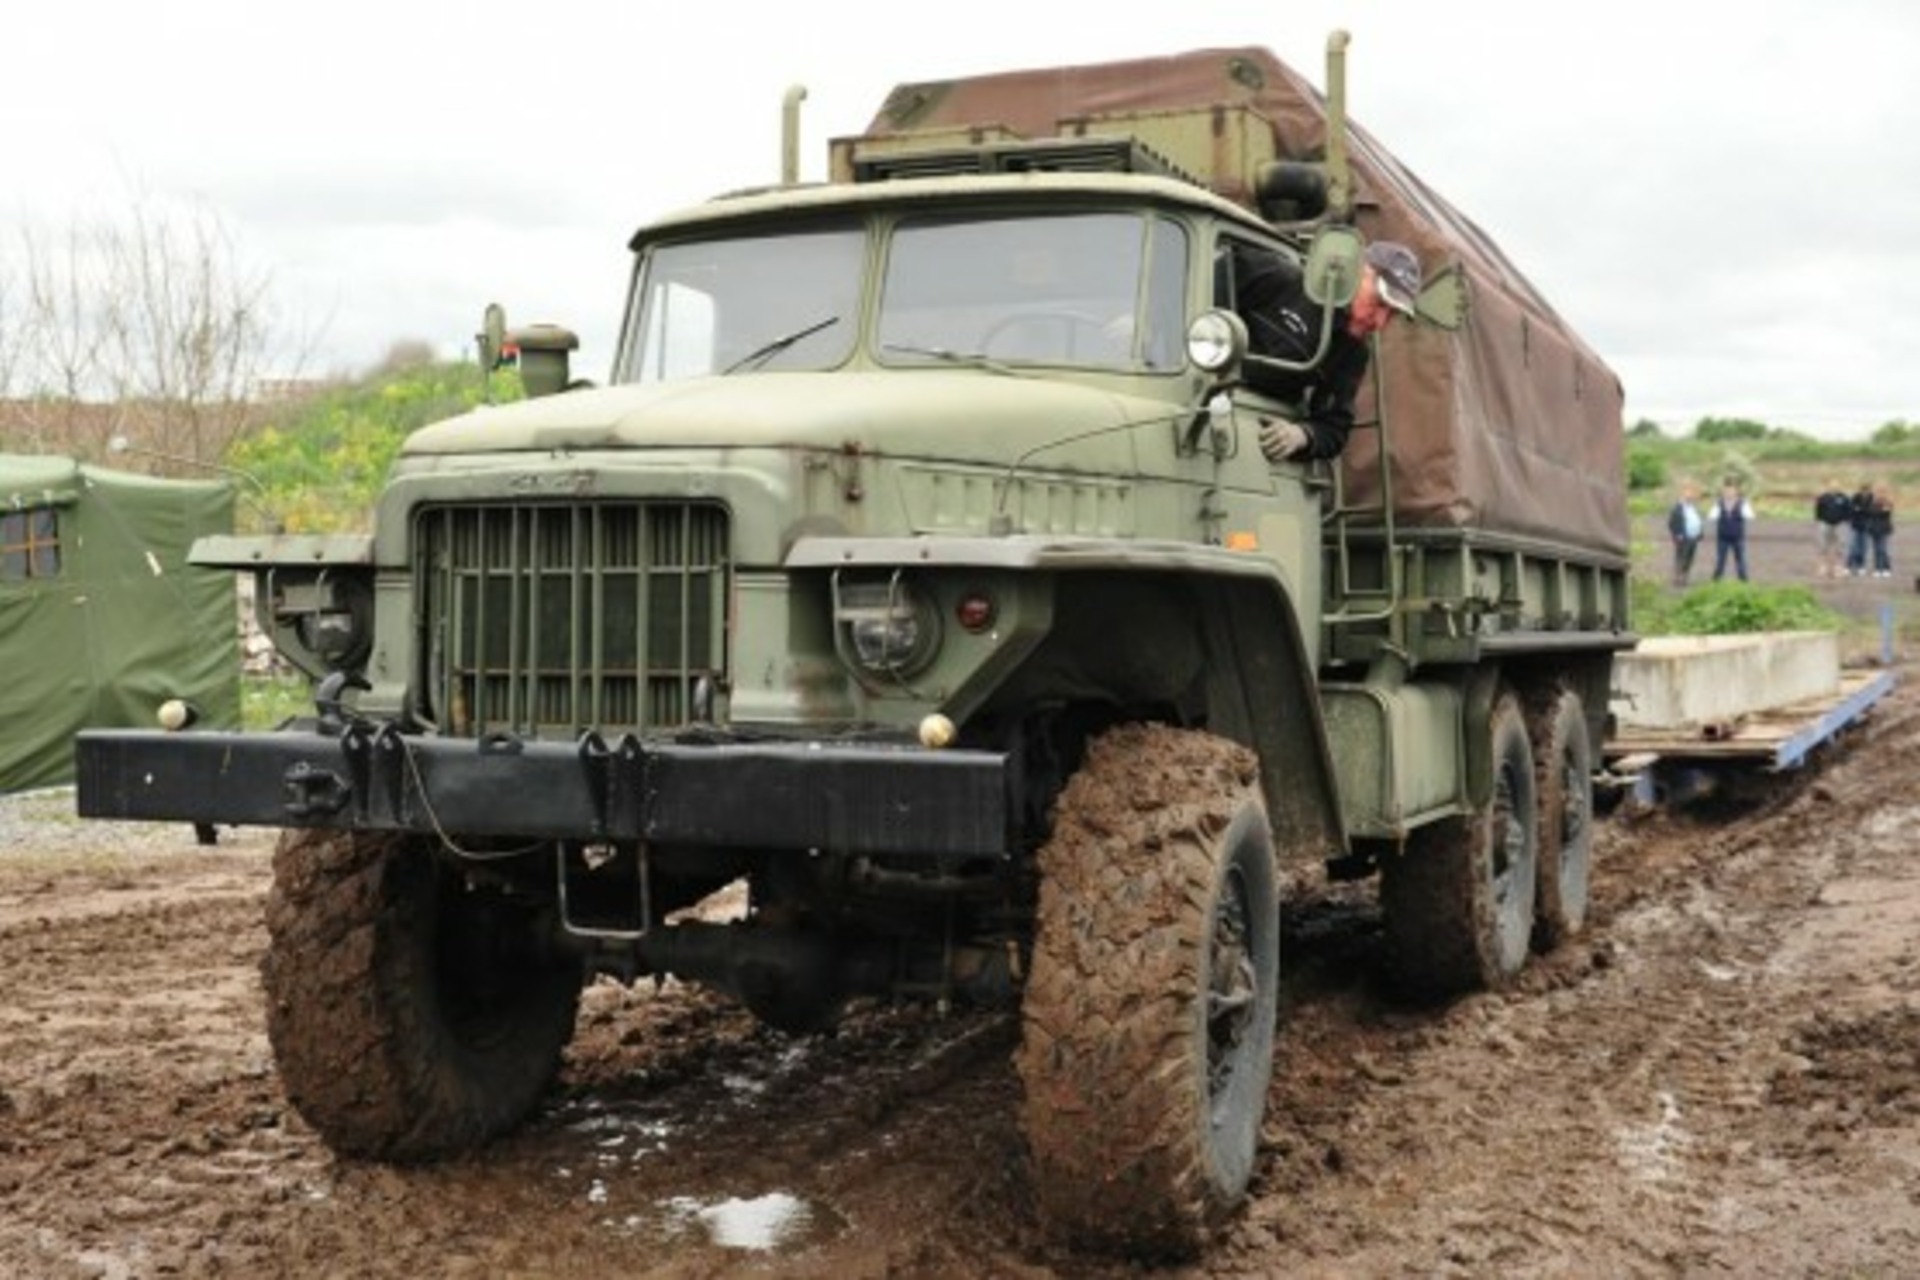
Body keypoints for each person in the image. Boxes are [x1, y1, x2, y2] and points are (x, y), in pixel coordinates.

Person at [1237, 239, 1424, 463]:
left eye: (1391, 314)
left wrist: (1302, 435)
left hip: (1256, 439)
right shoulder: (1277, 276)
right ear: (1355, 271)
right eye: (1380, 303)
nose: (1380, 323)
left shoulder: (1352, 352)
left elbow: (1334, 426)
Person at [1707, 478, 1754, 582]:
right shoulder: (1718, 503)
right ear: (1723, 491)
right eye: (1726, 490)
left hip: (1737, 537)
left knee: (1740, 560)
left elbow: (1750, 516)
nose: (1729, 493)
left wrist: (1742, 510)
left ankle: (1743, 581)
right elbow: (1711, 516)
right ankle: (1716, 581)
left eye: (1731, 490)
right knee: (1721, 560)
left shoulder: (1742, 503)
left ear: (1736, 491)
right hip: (1723, 537)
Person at [1813, 477, 1852, 578]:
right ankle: (1823, 567)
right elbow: (1818, 510)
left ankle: (1838, 568)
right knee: (1823, 545)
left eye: (1836, 485)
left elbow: (1849, 510)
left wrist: (1846, 521)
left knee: (1840, 546)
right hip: (1825, 523)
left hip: (1840, 524)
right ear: (1828, 486)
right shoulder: (1823, 498)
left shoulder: (1844, 498)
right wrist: (1819, 520)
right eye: (1832, 485)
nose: (1834, 487)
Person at [1667, 482, 1705, 586]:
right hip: (1683, 537)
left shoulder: (1693, 507)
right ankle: (1677, 577)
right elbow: (1671, 523)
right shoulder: (1677, 508)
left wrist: (1700, 532)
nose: (1690, 496)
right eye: (1687, 493)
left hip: (1694, 536)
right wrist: (1677, 534)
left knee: (1690, 557)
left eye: (1691, 494)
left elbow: (1697, 520)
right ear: (1682, 494)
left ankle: (1685, 577)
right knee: (1681, 557)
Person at [1863, 482, 1895, 578]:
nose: (1879, 494)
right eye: (1877, 492)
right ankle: (1877, 568)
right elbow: (1870, 512)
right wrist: (1880, 511)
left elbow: (1886, 513)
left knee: (1882, 549)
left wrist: (1880, 511)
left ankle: (1885, 568)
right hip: (1873, 529)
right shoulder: (1872, 502)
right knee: (1876, 550)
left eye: (1881, 492)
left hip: (1884, 529)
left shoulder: (1888, 502)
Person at [1845, 480, 1875, 575]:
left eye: (1867, 491)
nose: (1865, 493)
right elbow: (1851, 510)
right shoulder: (1855, 497)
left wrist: (1860, 509)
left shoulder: (1872, 498)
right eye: (1863, 491)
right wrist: (1860, 510)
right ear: (1860, 490)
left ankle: (1861, 566)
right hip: (1855, 525)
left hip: (1866, 525)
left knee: (1864, 547)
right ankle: (1849, 565)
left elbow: (1871, 511)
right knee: (1853, 546)